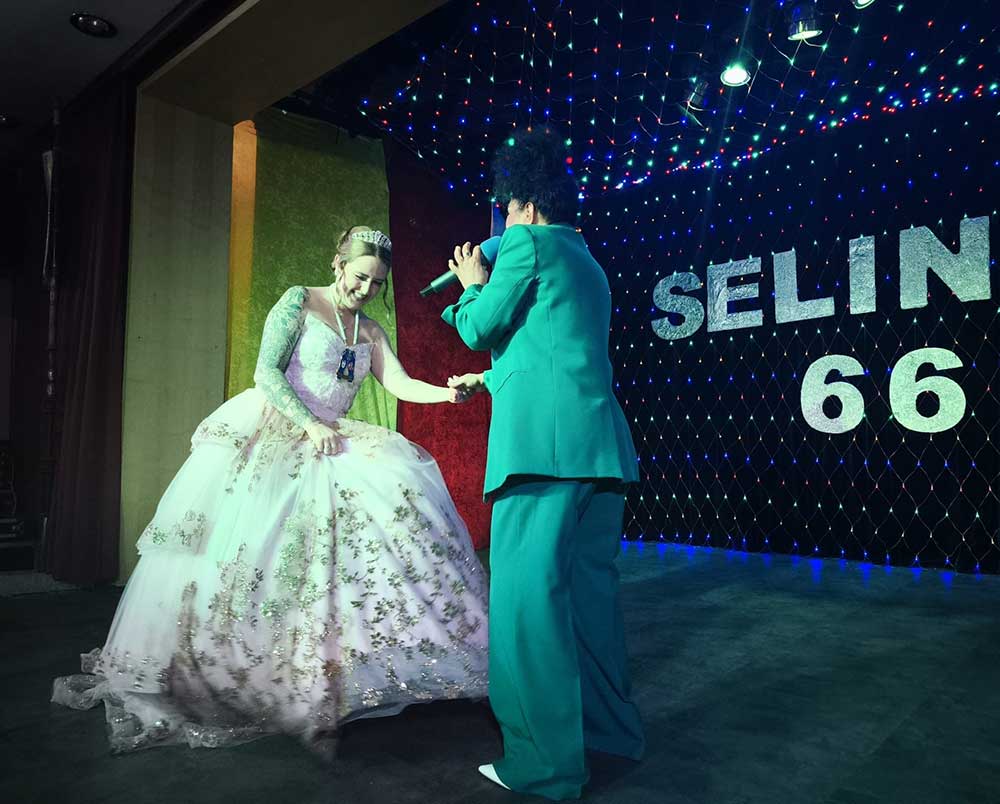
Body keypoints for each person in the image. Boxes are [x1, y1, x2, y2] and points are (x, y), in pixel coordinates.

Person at [52, 227, 489, 755]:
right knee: (253, 551)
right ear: (337, 265)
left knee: (373, 528)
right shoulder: (299, 302)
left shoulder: (370, 330)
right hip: (280, 429)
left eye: (377, 283)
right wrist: (308, 423)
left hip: (331, 436)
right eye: (359, 277)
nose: (366, 290)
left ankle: (332, 669)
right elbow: (267, 372)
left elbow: (398, 383)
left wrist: (446, 394)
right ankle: (236, 667)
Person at [443, 129, 644, 800]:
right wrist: (487, 379)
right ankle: (609, 735)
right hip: (599, 453)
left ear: (521, 204)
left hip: (541, 455)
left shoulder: (526, 242)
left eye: (504, 209)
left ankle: (543, 768)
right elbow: (553, 349)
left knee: (527, 610)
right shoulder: (586, 260)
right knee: (589, 605)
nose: (502, 222)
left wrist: (471, 286)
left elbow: (478, 326)